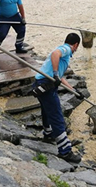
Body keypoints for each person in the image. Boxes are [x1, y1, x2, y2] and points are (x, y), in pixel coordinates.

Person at [32, 33, 84, 164]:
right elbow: (55, 54)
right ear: (76, 45)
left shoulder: (63, 51)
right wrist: (55, 74)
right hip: (46, 84)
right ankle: (65, 151)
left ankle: (48, 134)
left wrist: (74, 90)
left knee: (46, 110)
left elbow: (60, 77)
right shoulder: (66, 49)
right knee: (56, 115)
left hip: (41, 83)